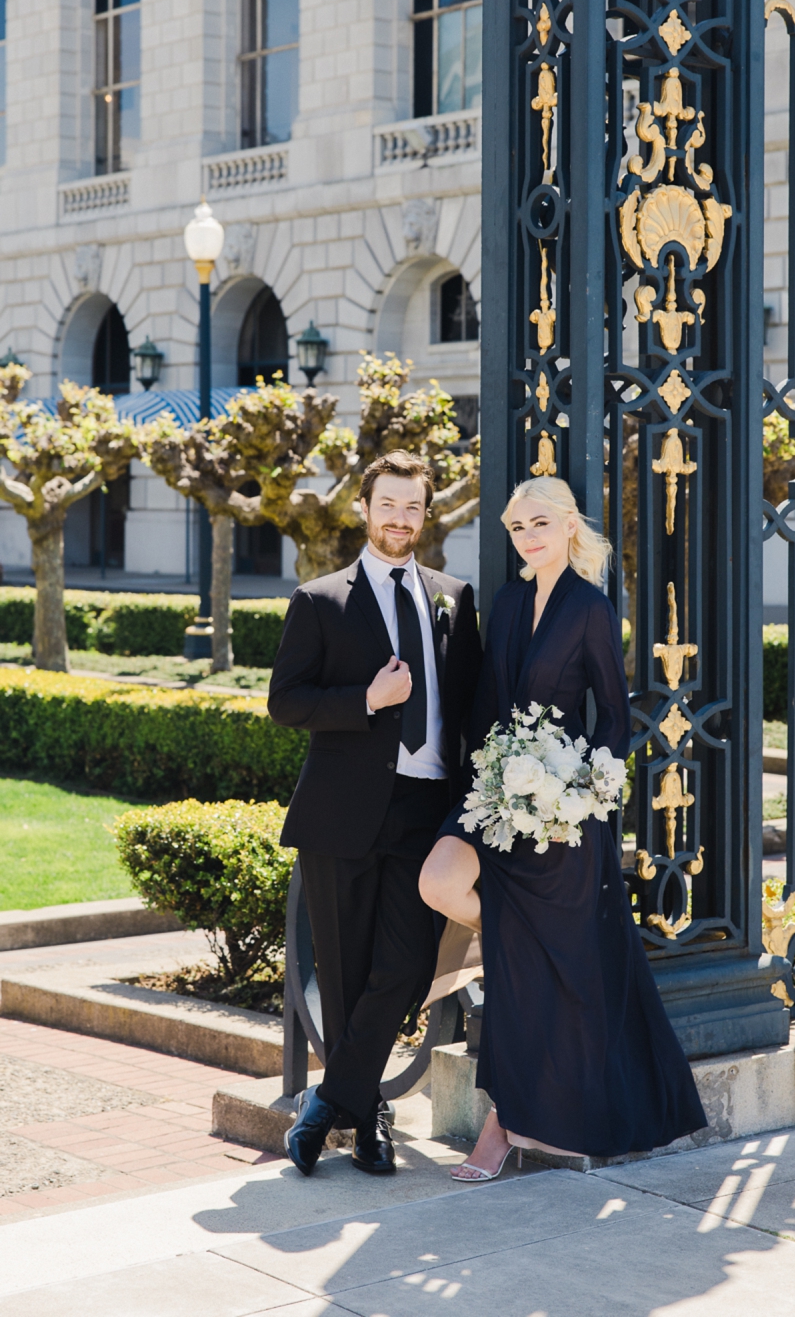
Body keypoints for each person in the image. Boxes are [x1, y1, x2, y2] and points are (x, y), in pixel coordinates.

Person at [419, 476, 707, 1178]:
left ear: (569, 525)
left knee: (536, 971)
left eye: (538, 522)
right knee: (438, 881)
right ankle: (515, 937)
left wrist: (585, 790)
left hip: (565, 811)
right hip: (495, 795)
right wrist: (477, 786)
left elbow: (612, 715)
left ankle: (504, 1126)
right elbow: (488, 703)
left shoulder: (590, 607)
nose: (527, 537)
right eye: (515, 528)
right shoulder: (510, 601)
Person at [268, 450, 483, 1178]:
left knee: (408, 967)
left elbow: (470, 708)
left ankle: (329, 1103)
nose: (400, 518)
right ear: (365, 508)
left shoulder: (455, 596)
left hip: (426, 814)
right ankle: (368, 1124)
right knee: (349, 974)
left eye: (413, 506)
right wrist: (366, 700)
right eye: (387, 505)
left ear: (427, 512)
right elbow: (286, 703)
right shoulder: (319, 600)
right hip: (341, 817)